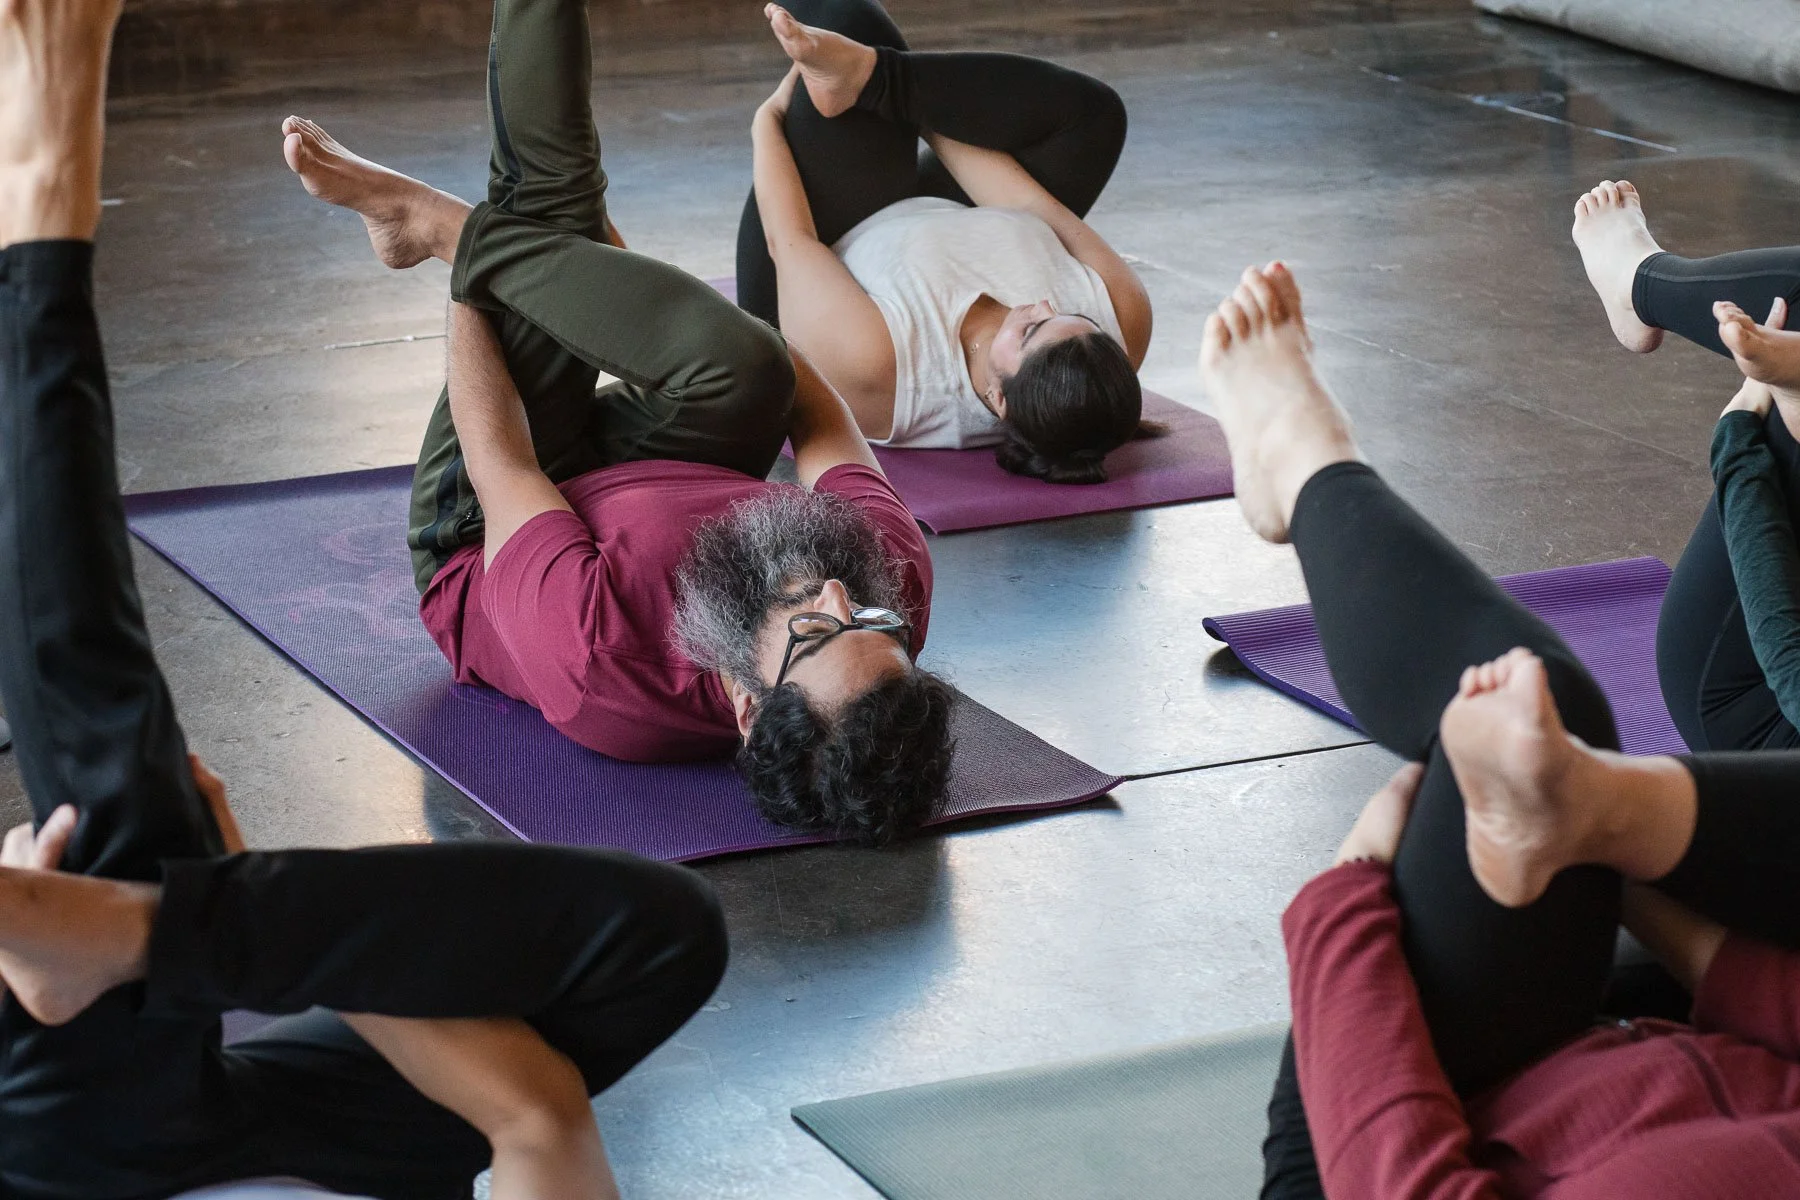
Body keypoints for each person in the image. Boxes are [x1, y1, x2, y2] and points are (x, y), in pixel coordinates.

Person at [0, 0, 727, 1196]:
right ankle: (123, 930)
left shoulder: (608, 660)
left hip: (81, 1151)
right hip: (281, 1119)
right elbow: (535, 1116)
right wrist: (222, 906)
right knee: (666, 940)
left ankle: (43, 217)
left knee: (122, 808)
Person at [281, 0, 956, 844]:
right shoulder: (883, 591)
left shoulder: (601, 662)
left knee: (549, 193)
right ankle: (462, 225)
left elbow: (503, 467)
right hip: (660, 469)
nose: (837, 596)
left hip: (495, 518)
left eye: (819, 631)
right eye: (871, 624)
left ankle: (425, 222)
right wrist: (594, 275)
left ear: (748, 705)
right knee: (756, 371)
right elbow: (813, 405)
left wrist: (470, 260)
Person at [1199, 262, 1800, 1198]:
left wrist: (1340, 904)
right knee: (1548, 742)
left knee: (1549, 711)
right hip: (1698, 1026)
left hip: (1392, 1136)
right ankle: (1596, 809)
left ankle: (1301, 451)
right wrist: (1662, 900)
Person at [737, 0, 1158, 484]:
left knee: (856, 24)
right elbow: (1029, 205)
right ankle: (869, 71)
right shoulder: (1122, 322)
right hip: (946, 216)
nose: (1040, 304)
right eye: (1070, 315)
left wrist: (766, 122)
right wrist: (891, 89)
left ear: (998, 400)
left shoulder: (882, 366)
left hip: (829, 234)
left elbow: (789, 240)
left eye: (1028, 331)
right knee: (1093, 118)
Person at [1572, 179, 1800, 753]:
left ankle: (1641, 282)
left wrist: (1740, 436)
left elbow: (1783, 645)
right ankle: (1641, 284)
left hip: (1748, 701)